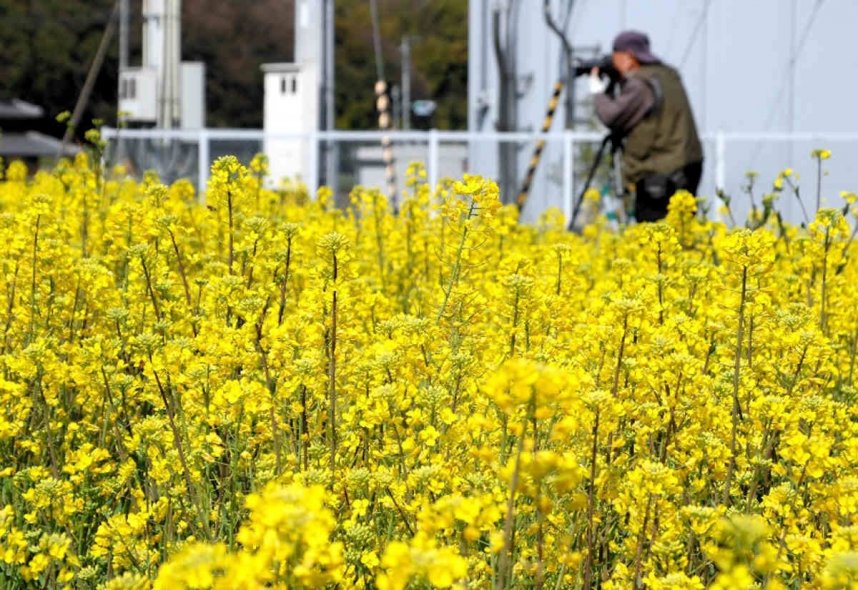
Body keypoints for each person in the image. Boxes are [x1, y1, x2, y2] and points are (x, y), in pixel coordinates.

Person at [589, 30, 703, 222]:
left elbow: (611, 116)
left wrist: (597, 91)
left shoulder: (640, 84)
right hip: (689, 164)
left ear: (628, 57)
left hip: (661, 173)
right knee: (682, 233)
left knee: (653, 237)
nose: (613, 63)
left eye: (615, 57)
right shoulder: (667, 74)